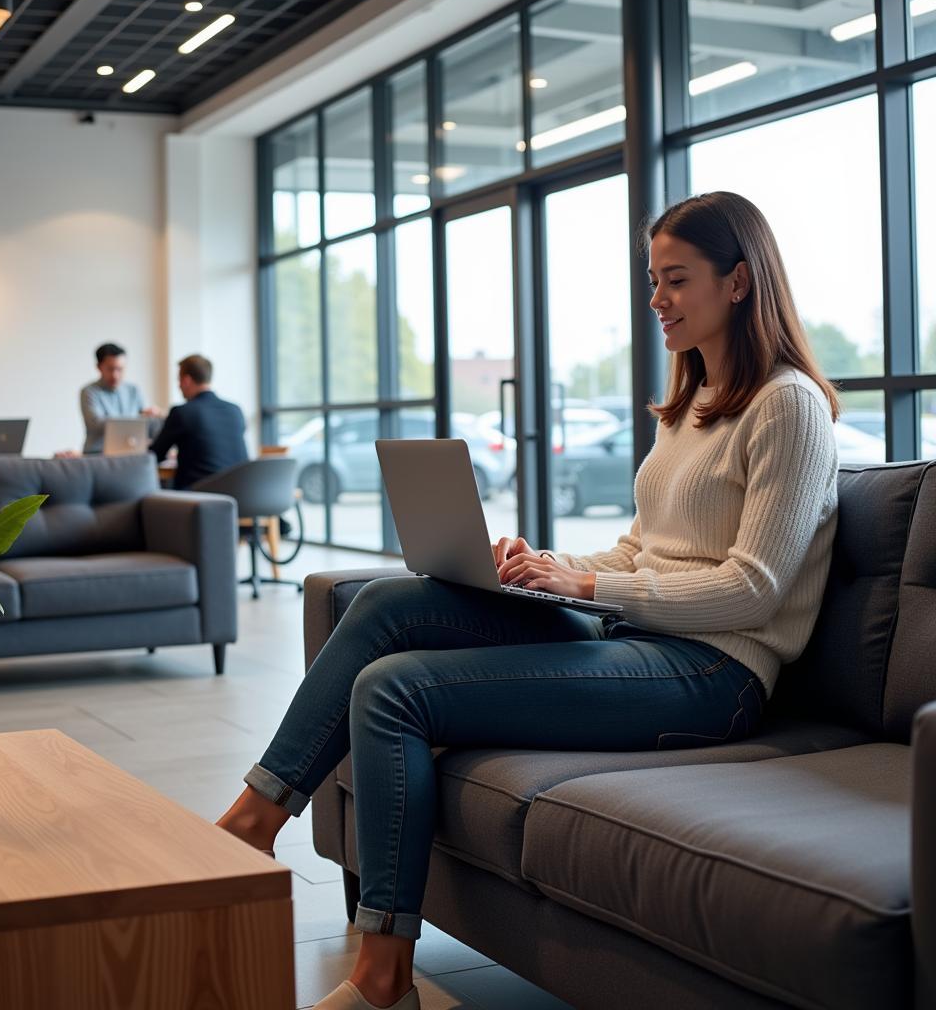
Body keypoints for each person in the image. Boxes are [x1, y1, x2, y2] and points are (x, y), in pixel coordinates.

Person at [215, 192, 841, 1010]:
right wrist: (542, 564)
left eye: (676, 279)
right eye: (653, 279)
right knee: (385, 607)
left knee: (393, 689)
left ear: (739, 282)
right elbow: (639, 550)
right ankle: (254, 818)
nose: (656, 299)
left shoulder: (787, 405)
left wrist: (589, 588)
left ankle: (380, 978)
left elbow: (752, 589)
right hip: (643, 637)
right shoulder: (689, 406)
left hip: (716, 674)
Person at [149, 355, 248, 490]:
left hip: (199, 499)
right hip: (240, 496)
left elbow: (154, 457)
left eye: (179, 380)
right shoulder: (235, 411)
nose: (179, 386)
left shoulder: (182, 412)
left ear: (186, 380)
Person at [80, 342, 161, 454]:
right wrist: (137, 419)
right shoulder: (89, 392)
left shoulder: (134, 390)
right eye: (110, 369)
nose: (115, 375)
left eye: (120, 369)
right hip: (98, 454)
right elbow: (97, 424)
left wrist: (152, 417)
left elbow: (147, 427)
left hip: (130, 453)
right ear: (99, 367)